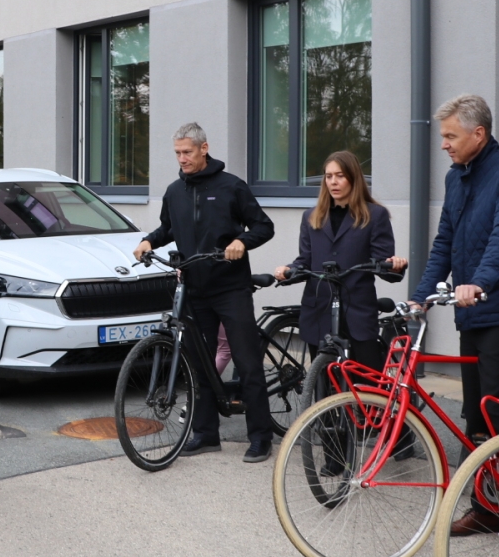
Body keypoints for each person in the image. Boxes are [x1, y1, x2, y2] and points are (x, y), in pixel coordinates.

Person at [409, 95, 499, 534]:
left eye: (450, 136)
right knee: (476, 415)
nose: (443, 144)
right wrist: (421, 295)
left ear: (477, 134)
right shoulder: (455, 177)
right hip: (472, 313)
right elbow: (445, 239)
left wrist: (480, 282)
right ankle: (485, 509)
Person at [134, 122, 278, 462]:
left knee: (247, 362)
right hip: (193, 290)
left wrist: (242, 241)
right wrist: (148, 240)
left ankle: (260, 436)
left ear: (204, 148)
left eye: (187, 152)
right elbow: (168, 227)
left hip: (231, 288)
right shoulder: (174, 191)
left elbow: (263, 226)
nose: (181, 159)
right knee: (199, 365)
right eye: (177, 153)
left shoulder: (231, 187)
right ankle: (206, 433)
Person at [274, 151, 406, 372]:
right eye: (328, 176)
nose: (333, 182)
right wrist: (288, 271)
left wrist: (395, 265)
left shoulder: (375, 215)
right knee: (323, 386)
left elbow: (383, 263)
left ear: (353, 178)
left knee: (365, 385)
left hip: (358, 313)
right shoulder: (311, 216)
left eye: (340, 176)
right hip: (319, 311)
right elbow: (305, 260)